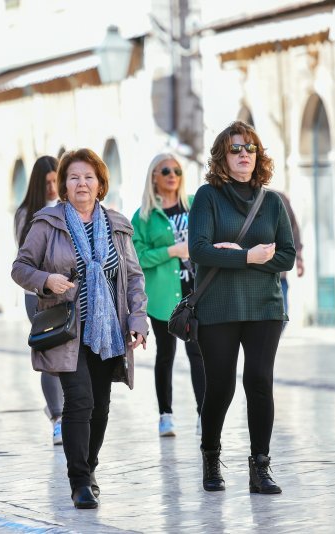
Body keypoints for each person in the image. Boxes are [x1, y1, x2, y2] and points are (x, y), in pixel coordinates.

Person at [11, 148, 148, 509]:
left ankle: (89, 468)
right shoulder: (47, 223)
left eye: (88, 177)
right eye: (73, 177)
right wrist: (46, 280)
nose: (81, 183)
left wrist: (137, 319)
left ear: (100, 183)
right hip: (68, 330)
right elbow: (20, 267)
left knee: (101, 406)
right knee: (80, 401)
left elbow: (133, 277)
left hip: (109, 330)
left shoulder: (117, 224)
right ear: (62, 185)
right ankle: (79, 482)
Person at [188, 120, 295, 494]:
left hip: (264, 306)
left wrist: (246, 257)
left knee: (260, 382)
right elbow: (199, 250)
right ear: (222, 156)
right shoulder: (207, 197)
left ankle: (260, 467)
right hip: (219, 307)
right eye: (235, 149)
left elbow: (286, 255)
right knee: (220, 387)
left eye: (250, 148)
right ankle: (211, 456)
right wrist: (249, 256)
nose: (244, 155)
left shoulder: (272, 202)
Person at [131, 153, 205, 437]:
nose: (172, 174)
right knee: (166, 354)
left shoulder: (195, 206)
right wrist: (172, 251)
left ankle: (203, 413)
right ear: (154, 177)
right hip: (163, 296)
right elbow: (137, 256)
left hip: (196, 291)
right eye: (165, 170)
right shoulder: (144, 217)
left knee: (198, 353)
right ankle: (166, 415)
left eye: (176, 170)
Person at [14, 155, 66, 446]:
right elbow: (24, 258)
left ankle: (65, 412)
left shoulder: (68, 209)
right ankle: (57, 419)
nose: (52, 188)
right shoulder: (26, 214)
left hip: (70, 293)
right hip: (38, 295)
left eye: (55, 181)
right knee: (50, 358)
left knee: (71, 357)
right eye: (46, 182)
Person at [273, 191, 304, 315]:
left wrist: (300, 260)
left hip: (279, 275)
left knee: (282, 316)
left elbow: (294, 229)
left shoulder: (280, 199)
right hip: (257, 275)